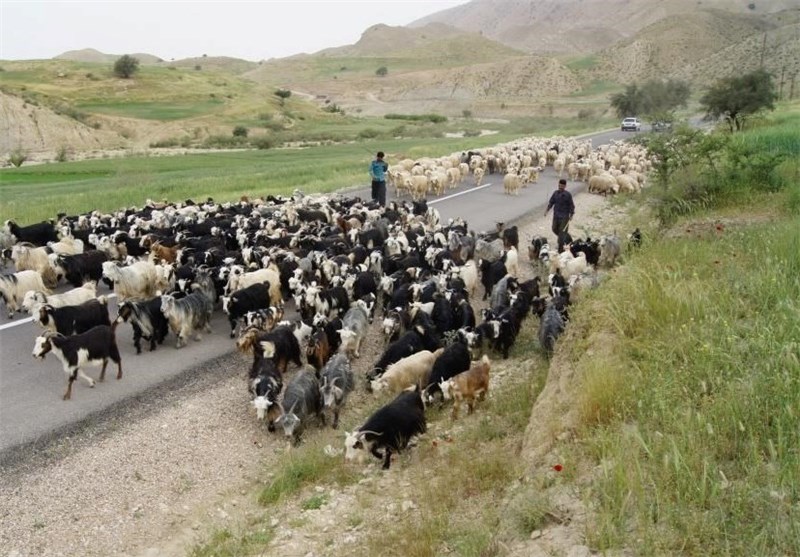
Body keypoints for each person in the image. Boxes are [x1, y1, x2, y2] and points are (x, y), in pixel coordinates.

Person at [544, 178, 574, 251]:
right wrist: (547, 210)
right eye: (559, 185)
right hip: (556, 215)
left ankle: (560, 249)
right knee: (554, 229)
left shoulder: (568, 195)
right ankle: (566, 238)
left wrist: (571, 214)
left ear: (565, 186)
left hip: (564, 216)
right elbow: (551, 202)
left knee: (562, 232)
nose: (560, 187)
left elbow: (571, 205)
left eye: (562, 186)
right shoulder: (555, 193)